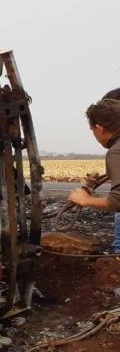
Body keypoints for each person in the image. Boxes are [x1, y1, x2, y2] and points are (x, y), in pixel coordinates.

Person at [69, 98, 120, 253]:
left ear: (100, 128)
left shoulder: (115, 152)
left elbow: (117, 201)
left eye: (92, 130)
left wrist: (84, 200)